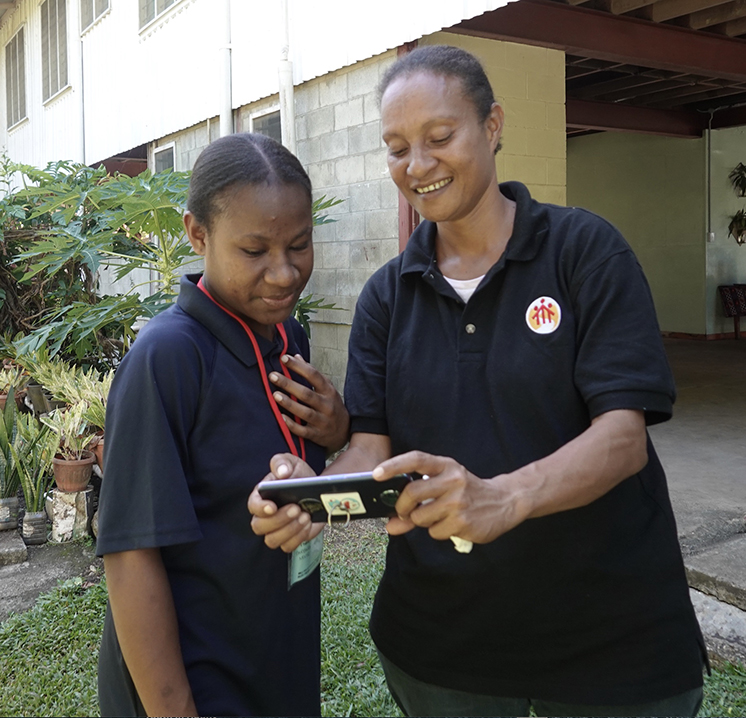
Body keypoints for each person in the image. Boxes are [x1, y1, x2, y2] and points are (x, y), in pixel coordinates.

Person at [250, 45, 708, 717]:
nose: (418, 165)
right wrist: (313, 493)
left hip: (610, 643)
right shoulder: (387, 296)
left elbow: (623, 438)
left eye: (440, 137)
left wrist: (504, 497)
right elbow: (372, 446)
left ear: (492, 126)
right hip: (441, 648)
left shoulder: (584, 252)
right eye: (397, 147)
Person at [96, 132, 349, 717]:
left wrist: (336, 432)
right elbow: (131, 555)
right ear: (197, 234)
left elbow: (290, 478)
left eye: (300, 244)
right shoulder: (167, 359)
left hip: (271, 645)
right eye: (255, 251)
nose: (284, 274)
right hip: (196, 678)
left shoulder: (287, 339)